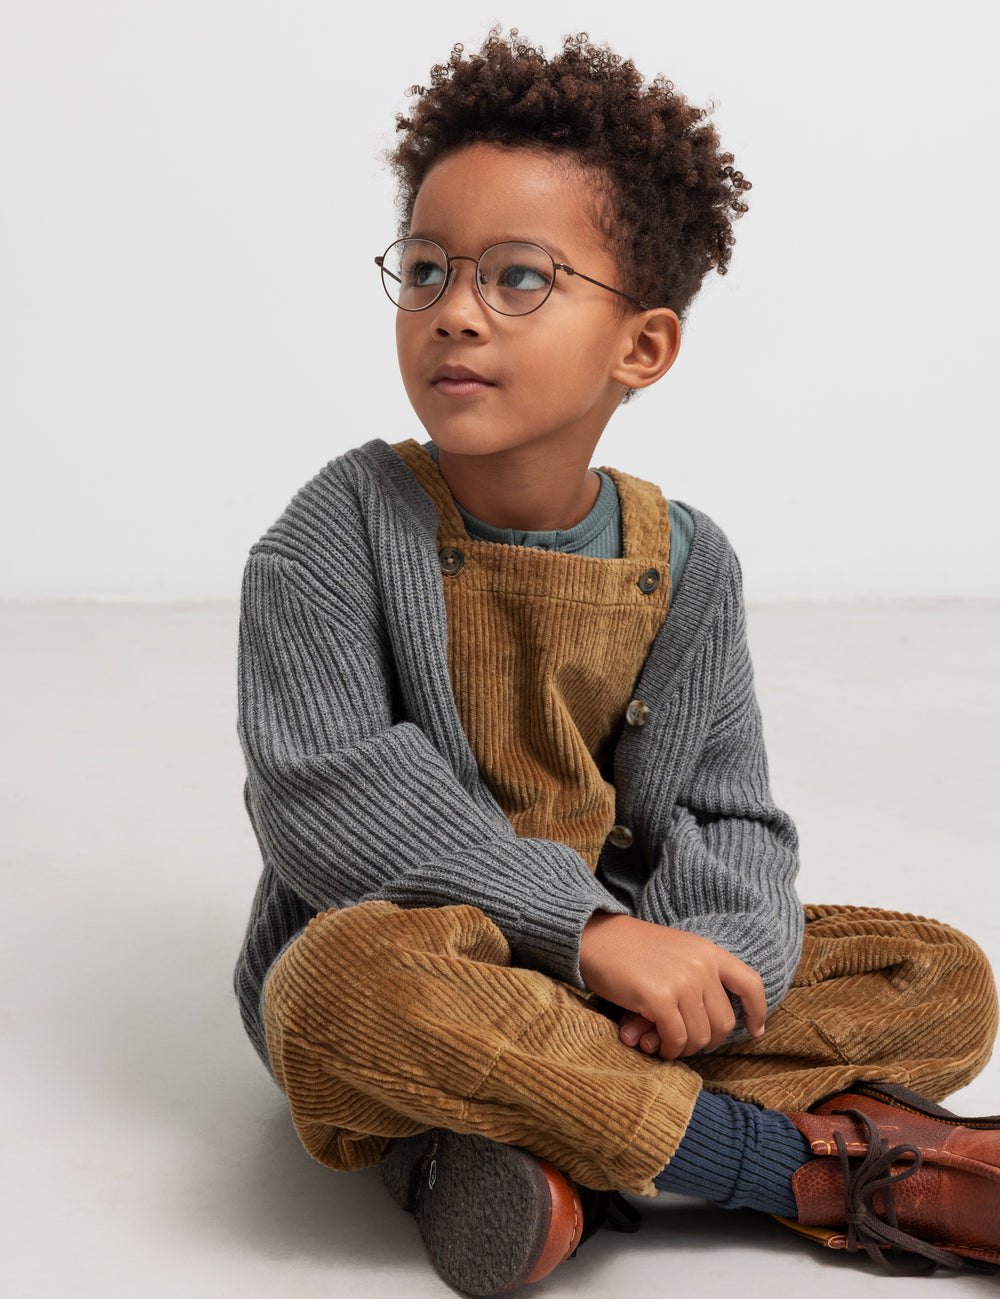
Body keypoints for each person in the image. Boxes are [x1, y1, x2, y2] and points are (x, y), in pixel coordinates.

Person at [235, 29, 1000, 1295]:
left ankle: (519, 1139)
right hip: (423, 954)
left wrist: (707, 968)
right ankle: (789, 1169)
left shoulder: (688, 562)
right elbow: (330, 799)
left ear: (641, 347)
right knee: (337, 994)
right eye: (425, 270)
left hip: (620, 970)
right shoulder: (331, 534)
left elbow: (724, 812)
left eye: (518, 278)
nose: (456, 310)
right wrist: (579, 936)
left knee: (939, 976)